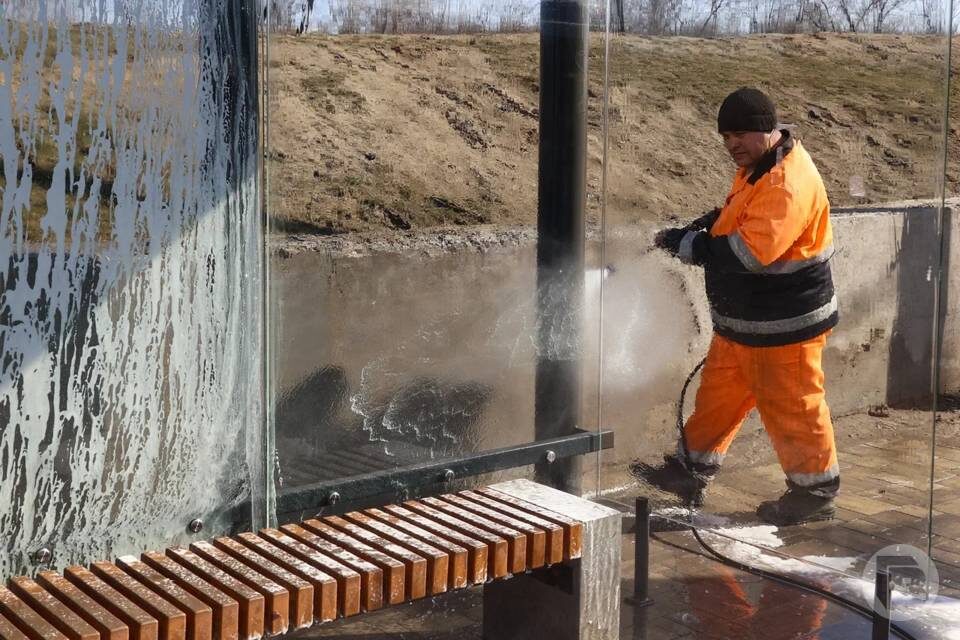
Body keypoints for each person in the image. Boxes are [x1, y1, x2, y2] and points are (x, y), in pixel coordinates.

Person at [634, 87, 840, 526]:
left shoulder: (787, 182)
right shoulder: (760, 165)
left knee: (794, 408)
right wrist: (712, 222)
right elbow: (744, 215)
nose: (732, 145)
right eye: (726, 136)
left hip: (785, 327)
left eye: (741, 134)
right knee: (718, 398)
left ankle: (814, 492)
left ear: (767, 129)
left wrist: (689, 244)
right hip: (745, 323)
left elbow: (749, 254)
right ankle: (689, 472)